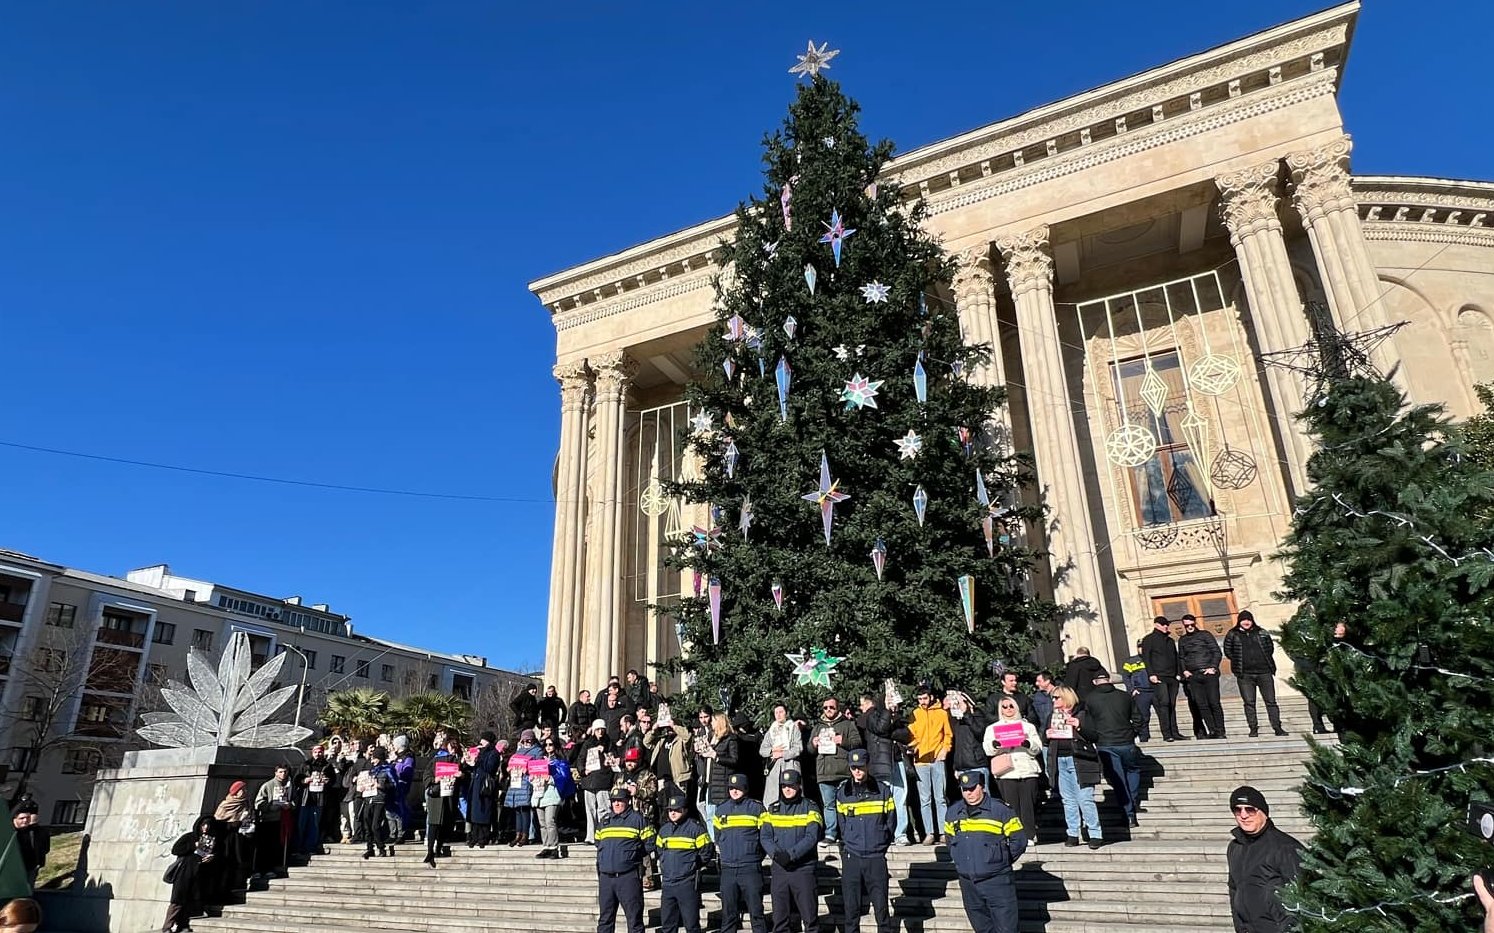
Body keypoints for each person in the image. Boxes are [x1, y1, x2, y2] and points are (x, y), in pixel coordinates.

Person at [945, 770, 1027, 933]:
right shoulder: (953, 812)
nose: (968, 793)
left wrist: (1000, 860)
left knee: (1007, 929)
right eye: (964, 789)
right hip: (969, 883)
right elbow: (950, 841)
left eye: (972, 788)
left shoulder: (1000, 810)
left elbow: (1019, 841)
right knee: (981, 928)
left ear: (982, 787)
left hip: (997, 881)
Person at [1226, 785, 1303, 933]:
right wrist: (1240, 927)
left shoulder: (1285, 847)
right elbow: (1234, 889)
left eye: (1250, 809)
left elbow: (1302, 896)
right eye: (1238, 809)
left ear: (1264, 813)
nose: (1243, 815)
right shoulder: (1235, 847)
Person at [835, 748, 895, 933]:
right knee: (851, 912)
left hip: (875, 857)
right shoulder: (843, 793)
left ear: (867, 766)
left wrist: (881, 843)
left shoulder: (882, 791)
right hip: (853, 857)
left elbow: (891, 822)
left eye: (860, 767)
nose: (857, 771)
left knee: (881, 910)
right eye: (854, 768)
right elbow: (842, 825)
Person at [1078, 669, 1144, 828]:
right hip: (1127, 741)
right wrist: (1133, 732)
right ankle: (1133, 801)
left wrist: (1093, 738)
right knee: (1133, 771)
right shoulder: (1125, 696)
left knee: (1118, 779)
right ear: (1109, 680)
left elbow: (1088, 724)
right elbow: (1138, 718)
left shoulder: (1090, 699)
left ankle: (1129, 813)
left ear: (1095, 682)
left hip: (1105, 744)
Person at [761, 768, 822, 933]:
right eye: (784, 786)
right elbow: (765, 837)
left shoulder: (810, 807)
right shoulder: (772, 809)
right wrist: (776, 854)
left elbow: (811, 836)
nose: (787, 789)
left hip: (803, 869)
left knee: (810, 919)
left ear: (799, 786)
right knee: (779, 920)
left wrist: (791, 855)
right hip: (780, 869)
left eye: (791, 785)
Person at [1045, 687, 1103, 848]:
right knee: (1068, 800)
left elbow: (1095, 735)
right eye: (1053, 698)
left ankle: (1095, 833)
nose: (1054, 701)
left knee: (1085, 799)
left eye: (1057, 697)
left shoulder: (1082, 713)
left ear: (1066, 698)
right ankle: (1072, 833)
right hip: (1060, 760)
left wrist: (1079, 726)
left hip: (1079, 760)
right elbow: (1045, 739)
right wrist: (1047, 734)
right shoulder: (1052, 716)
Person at [982, 695, 1042, 845]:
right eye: (1004, 707)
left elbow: (1038, 747)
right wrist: (995, 744)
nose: (1008, 709)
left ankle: (1029, 834)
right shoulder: (992, 728)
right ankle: (1014, 835)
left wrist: (1028, 743)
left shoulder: (1028, 727)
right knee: (1011, 806)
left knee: (1028, 804)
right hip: (1006, 772)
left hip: (1027, 768)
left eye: (1011, 706)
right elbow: (987, 749)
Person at [651, 790, 712, 933]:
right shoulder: (664, 830)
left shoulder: (696, 829)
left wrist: (691, 865)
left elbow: (706, 852)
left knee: (691, 925)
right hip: (668, 883)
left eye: (677, 810)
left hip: (687, 883)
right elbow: (659, 851)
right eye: (670, 810)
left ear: (685, 810)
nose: (673, 813)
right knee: (668, 925)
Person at [714, 773, 768, 933]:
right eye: (731, 788)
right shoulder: (721, 809)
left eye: (738, 788)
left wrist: (755, 856)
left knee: (756, 913)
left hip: (750, 868)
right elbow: (718, 836)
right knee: (728, 915)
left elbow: (765, 837)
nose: (734, 791)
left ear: (745, 788)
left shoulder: (757, 808)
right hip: (728, 869)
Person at [595, 787, 653, 933]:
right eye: (614, 801)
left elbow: (651, 843)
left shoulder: (638, 819)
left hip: (628, 877)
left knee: (634, 921)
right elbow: (598, 843)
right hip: (606, 879)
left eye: (620, 801)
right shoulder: (605, 820)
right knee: (605, 920)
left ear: (628, 801)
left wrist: (633, 856)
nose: (617, 804)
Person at [1223, 610, 1288, 737]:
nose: (1246, 622)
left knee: (1271, 701)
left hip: (1264, 672)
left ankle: (1277, 727)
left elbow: (1269, 648)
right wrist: (1239, 662)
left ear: (1252, 621)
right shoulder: (1232, 634)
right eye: (1243, 620)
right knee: (1249, 702)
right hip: (1245, 675)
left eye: (1248, 620)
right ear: (1239, 621)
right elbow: (1228, 651)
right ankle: (1253, 728)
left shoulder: (1261, 632)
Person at [856, 694, 911, 846]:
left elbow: (906, 735)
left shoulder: (892, 716)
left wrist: (892, 723)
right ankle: (883, 832)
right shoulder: (869, 716)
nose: (861, 708)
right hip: (881, 762)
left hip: (897, 761)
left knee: (900, 799)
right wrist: (888, 715)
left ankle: (900, 833)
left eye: (861, 705)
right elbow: (880, 728)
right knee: (882, 800)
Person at [811, 696, 861, 846]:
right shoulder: (818, 726)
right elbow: (808, 749)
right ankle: (830, 834)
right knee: (828, 805)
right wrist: (813, 744)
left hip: (843, 771)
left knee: (846, 804)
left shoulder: (847, 724)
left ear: (837, 708)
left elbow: (858, 742)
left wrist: (843, 741)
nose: (828, 710)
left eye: (831, 707)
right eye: (825, 707)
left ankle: (848, 833)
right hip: (824, 772)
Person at [908, 685, 951, 845]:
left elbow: (948, 734)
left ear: (931, 697)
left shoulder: (941, 713)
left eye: (925, 698)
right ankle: (929, 832)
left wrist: (945, 750)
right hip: (920, 760)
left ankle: (943, 832)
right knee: (924, 799)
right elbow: (911, 735)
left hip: (937, 758)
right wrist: (912, 747)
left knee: (940, 797)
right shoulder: (915, 714)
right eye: (920, 699)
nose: (923, 702)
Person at [161, 816, 217, 933]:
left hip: (199, 873)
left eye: (208, 825)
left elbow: (216, 853)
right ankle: (167, 926)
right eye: (203, 825)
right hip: (185, 871)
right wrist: (193, 846)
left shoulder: (212, 839)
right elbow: (176, 850)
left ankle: (183, 925)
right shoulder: (190, 837)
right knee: (177, 900)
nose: (205, 828)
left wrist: (212, 857)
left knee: (189, 901)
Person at [1179, 614, 1227, 739]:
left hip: (1209, 673)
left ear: (1195, 623)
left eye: (1191, 624)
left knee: (1214, 702)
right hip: (1193, 676)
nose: (1189, 627)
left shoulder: (1205, 635)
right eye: (1186, 625)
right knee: (1201, 704)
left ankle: (1220, 731)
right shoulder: (1182, 640)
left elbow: (1216, 652)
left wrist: (1213, 667)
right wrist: (1184, 671)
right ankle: (1212, 730)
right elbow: (1181, 657)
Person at [1140, 616, 1185, 742]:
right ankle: (1167, 733)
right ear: (1156, 625)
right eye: (1163, 624)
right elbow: (1146, 658)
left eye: (1167, 624)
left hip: (1172, 677)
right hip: (1158, 677)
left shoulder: (1170, 640)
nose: (1166, 626)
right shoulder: (1149, 639)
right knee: (1164, 703)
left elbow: (1175, 657)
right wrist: (1151, 674)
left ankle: (1175, 732)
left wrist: (1178, 673)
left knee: (1171, 704)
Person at [701, 712, 740, 842]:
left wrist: (716, 757)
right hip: (710, 781)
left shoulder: (730, 738)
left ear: (719, 722)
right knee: (709, 814)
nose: (711, 723)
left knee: (721, 815)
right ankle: (714, 843)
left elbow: (734, 760)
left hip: (722, 782)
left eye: (713, 721)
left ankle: (723, 842)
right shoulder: (712, 737)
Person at [423, 737, 464, 866]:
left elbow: (466, 776)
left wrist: (461, 775)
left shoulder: (458, 760)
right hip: (437, 796)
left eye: (455, 746)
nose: (453, 749)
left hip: (450, 796)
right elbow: (426, 776)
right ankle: (430, 851)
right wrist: (435, 779)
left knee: (445, 824)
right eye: (452, 746)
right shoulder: (436, 759)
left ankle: (438, 848)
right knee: (434, 823)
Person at [211, 781, 255, 894]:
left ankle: (238, 884)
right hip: (228, 838)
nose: (245, 792)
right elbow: (217, 821)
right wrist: (233, 823)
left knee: (240, 861)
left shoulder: (246, 803)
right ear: (236, 792)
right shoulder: (226, 804)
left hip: (243, 836)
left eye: (245, 789)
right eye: (242, 790)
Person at [252, 765, 294, 879]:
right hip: (268, 820)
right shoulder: (268, 785)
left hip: (282, 820)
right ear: (276, 773)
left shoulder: (290, 786)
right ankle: (258, 869)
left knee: (275, 846)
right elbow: (258, 802)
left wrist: (290, 805)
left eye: (285, 772)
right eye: (280, 772)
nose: (283, 774)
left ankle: (271, 868)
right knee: (263, 846)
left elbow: (294, 800)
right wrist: (271, 806)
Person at [353, 746, 395, 859]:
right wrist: (361, 786)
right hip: (368, 799)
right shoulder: (371, 770)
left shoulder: (388, 769)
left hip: (380, 800)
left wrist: (381, 785)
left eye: (375, 758)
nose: (372, 761)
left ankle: (381, 847)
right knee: (367, 824)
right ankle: (369, 848)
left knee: (375, 825)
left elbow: (393, 785)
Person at [293, 744, 335, 857]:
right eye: (316, 752)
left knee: (314, 824)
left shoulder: (328, 766)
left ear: (323, 752)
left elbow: (333, 781)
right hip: (305, 798)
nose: (318, 754)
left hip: (319, 799)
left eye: (320, 752)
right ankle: (298, 847)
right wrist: (304, 780)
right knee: (301, 824)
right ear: (312, 753)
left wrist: (327, 781)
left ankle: (310, 847)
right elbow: (296, 779)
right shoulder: (305, 765)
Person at [579, 720, 616, 844]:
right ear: (594, 730)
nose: (600, 732)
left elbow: (613, 760)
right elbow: (581, 759)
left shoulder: (609, 743)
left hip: (603, 780)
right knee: (590, 810)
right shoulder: (587, 743)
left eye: (602, 729)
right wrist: (583, 771)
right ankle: (591, 836)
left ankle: (604, 833)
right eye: (597, 729)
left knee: (604, 809)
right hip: (589, 781)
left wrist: (605, 755)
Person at [947, 690, 991, 792]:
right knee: (968, 799)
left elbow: (979, 732)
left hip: (976, 765)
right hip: (962, 768)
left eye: (961, 702)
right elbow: (958, 746)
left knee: (982, 797)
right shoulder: (958, 722)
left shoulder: (978, 717)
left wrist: (966, 713)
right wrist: (956, 767)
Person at [760, 702, 803, 807]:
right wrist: (772, 750)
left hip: (790, 765)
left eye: (781, 712)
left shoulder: (793, 728)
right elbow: (762, 750)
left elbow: (798, 748)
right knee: (773, 798)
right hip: (774, 769)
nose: (778, 715)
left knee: (792, 795)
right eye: (776, 713)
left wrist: (782, 754)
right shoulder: (771, 731)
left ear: (786, 713)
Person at [466, 731, 501, 847]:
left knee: (484, 811)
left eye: (484, 740)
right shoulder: (480, 752)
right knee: (475, 811)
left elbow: (490, 768)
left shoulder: (494, 753)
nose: (481, 742)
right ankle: (474, 836)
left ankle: (483, 837)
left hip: (485, 786)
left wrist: (479, 759)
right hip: (476, 783)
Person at [505, 731, 539, 847]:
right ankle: (517, 835)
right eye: (524, 740)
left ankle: (525, 835)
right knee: (517, 810)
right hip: (516, 783)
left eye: (528, 740)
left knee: (525, 810)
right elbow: (510, 763)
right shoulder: (518, 752)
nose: (526, 742)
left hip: (526, 783)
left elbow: (539, 766)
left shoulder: (537, 751)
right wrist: (509, 769)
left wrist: (528, 770)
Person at [1121, 641, 1154, 742]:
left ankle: (1167, 735)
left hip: (1154, 690)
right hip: (1140, 692)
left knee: (1163, 713)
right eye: (1139, 647)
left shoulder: (1153, 658)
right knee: (1143, 716)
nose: (1141, 649)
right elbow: (1126, 677)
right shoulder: (1131, 661)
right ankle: (1144, 737)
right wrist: (1132, 690)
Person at [12, 802, 48, 890]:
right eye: (21, 818)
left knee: (26, 892)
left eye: (27, 818)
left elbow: (44, 847)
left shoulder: (35, 832)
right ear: (14, 819)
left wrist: (39, 861)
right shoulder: (8, 831)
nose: (25, 820)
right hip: (11, 869)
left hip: (30, 868)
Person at [336, 738, 366, 843]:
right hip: (343, 790)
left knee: (353, 813)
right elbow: (340, 769)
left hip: (354, 789)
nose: (355, 746)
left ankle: (355, 834)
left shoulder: (361, 758)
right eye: (353, 744)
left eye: (358, 743)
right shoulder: (343, 759)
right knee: (344, 815)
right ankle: (345, 834)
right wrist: (341, 759)